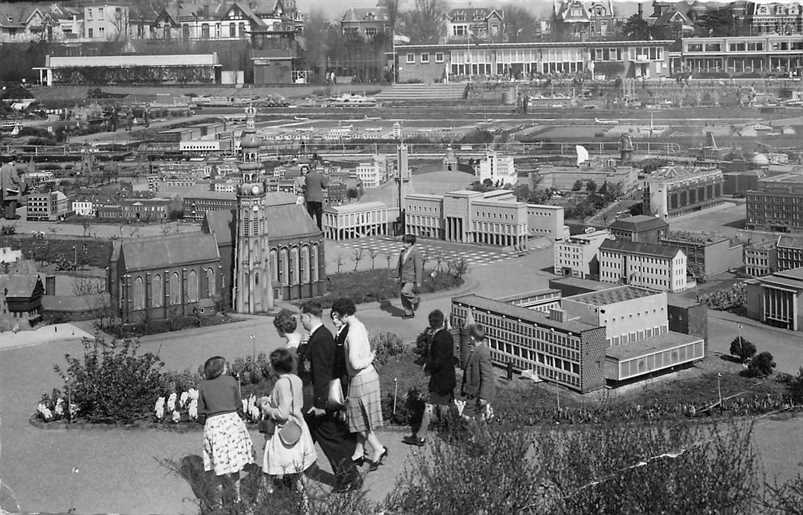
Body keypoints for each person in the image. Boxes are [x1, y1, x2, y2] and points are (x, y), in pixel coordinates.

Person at [298, 301, 361, 492]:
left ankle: (349, 477)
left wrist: (320, 404)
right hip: (316, 400)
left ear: (309, 316)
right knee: (310, 438)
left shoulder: (320, 339)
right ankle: (292, 475)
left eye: (302, 317)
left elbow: (322, 374)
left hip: (319, 402)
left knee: (330, 441)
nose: (301, 321)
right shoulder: (319, 336)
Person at [331, 298, 387, 472]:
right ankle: (359, 451)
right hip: (369, 377)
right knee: (362, 417)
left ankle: (378, 448)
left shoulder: (352, 332)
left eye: (338, 316)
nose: (336, 318)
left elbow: (355, 363)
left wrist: (370, 358)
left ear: (345, 315)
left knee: (357, 420)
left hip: (360, 378)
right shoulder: (360, 326)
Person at [198, 356, 253, 505]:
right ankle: (237, 498)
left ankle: (218, 502)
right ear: (221, 369)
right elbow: (238, 404)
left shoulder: (203, 385)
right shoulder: (231, 381)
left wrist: (206, 421)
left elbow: (201, 412)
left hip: (214, 425)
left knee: (217, 466)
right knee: (234, 465)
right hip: (232, 423)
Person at [260, 348, 317, 492]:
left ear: (274, 367)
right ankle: (305, 503)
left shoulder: (281, 383)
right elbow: (292, 402)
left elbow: (283, 413)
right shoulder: (296, 379)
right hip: (299, 426)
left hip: (284, 431)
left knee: (273, 468)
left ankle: (267, 501)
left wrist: (267, 408)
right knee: (298, 469)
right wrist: (272, 399)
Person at [403, 309, 456, 446]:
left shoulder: (437, 339)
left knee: (432, 407)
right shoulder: (448, 335)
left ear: (432, 324)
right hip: (449, 378)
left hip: (440, 380)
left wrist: (427, 368)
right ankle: (449, 432)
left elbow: (437, 361)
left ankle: (422, 436)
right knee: (444, 407)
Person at [461, 325, 496, 421]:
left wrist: (483, 396)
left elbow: (487, 377)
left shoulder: (483, 352)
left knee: (466, 418)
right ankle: (481, 434)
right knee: (478, 419)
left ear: (472, 337)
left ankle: (472, 435)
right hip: (473, 392)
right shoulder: (476, 350)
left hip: (478, 394)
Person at [397, 234, 423, 319]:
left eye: (405, 242)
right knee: (403, 297)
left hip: (411, 278)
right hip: (403, 277)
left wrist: (418, 281)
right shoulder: (403, 251)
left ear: (410, 243)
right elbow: (399, 265)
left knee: (405, 291)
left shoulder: (416, 252)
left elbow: (418, 267)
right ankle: (409, 313)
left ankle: (416, 300)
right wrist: (397, 275)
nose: (403, 244)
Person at [303, 165, 329, 230]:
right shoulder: (320, 176)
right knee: (318, 216)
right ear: (316, 168)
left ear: (310, 168)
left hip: (309, 198)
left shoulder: (307, 176)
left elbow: (306, 184)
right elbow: (324, 186)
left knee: (310, 215)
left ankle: (312, 230)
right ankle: (319, 229)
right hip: (318, 199)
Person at [0, 153, 22, 220]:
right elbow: (15, 178)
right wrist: (20, 183)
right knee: (13, 202)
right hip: (12, 187)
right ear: (12, 160)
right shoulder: (12, 168)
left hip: (4, 187)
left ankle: (7, 215)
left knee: (6, 202)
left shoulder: (2, 168)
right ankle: (11, 216)